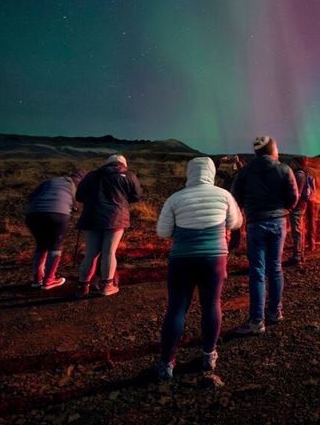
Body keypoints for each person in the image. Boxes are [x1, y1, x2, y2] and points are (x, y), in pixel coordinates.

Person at [155, 157, 242, 385]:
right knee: (211, 304)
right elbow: (236, 223)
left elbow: (162, 232)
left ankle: (166, 363)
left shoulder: (175, 198)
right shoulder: (224, 196)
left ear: (189, 173)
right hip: (214, 258)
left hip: (182, 259)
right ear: (211, 173)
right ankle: (208, 355)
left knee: (176, 308)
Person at [231, 136, 298, 335]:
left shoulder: (245, 172)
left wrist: (247, 211)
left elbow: (236, 196)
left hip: (255, 224)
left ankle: (257, 320)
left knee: (257, 272)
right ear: (271, 150)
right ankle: (275, 312)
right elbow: (293, 197)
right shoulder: (284, 169)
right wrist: (284, 209)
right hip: (278, 223)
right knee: (275, 267)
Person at [74, 154, 142, 298]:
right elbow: (136, 196)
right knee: (109, 252)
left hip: (91, 217)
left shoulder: (92, 175)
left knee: (91, 253)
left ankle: (82, 287)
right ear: (123, 164)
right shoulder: (128, 175)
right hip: (115, 217)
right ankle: (107, 286)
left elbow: (79, 196)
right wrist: (122, 198)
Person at [26, 169, 87, 289]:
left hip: (33, 215)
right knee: (55, 245)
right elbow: (75, 206)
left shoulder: (52, 181)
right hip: (57, 215)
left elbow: (31, 196)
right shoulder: (77, 185)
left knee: (41, 245)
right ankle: (48, 281)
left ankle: (37, 280)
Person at [284, 156, 313, 268]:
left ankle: (297, 256)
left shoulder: (299, 174)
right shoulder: (302, 173)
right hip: (301, 204)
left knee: (297, 229)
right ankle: (300, 255)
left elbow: (298, 193)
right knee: (299, 228)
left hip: (298, 205)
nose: (291, 164)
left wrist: (292, 206)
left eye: (292, 161)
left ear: (297, 162)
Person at [303, 156, 320, 253]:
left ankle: (303, 242)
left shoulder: (307, 170)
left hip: (308, 198)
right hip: (318, 199)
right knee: (313, 221)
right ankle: (312, 243)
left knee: (304, 220)